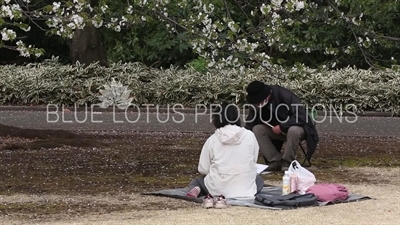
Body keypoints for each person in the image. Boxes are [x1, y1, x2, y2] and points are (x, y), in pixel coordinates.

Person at [186, 103, 264, 208]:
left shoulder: (212, 139)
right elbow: (253, 160)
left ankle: (197, 189)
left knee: (198, 181)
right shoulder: (250, 136)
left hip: (218, 188)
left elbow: (203, 169)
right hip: (245, 189)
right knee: (259, 180)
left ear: (217, 118)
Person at [244, 80, 319, 172]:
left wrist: (282, 126)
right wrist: (241, 135)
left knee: (293, 130)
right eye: (256, 103)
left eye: (259, 101)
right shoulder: (256, 105)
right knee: (257, 129)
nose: (258, 104)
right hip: (275, 129)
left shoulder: (284, 94)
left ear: (267, 95)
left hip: (299, 128)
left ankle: (288, 161)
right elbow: (250, 123)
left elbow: (301, 116)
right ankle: (275, 160)